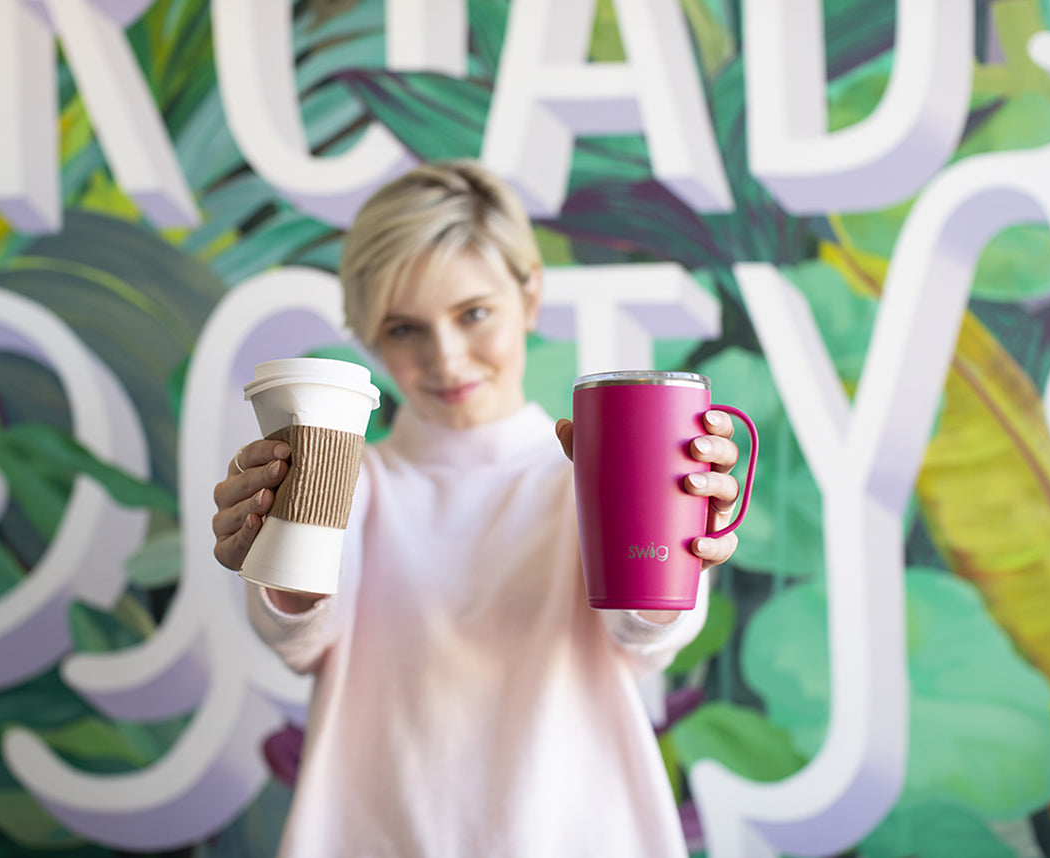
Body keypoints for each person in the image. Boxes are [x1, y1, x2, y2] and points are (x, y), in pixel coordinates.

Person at [212, 160, 742, 857]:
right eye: (404, 329)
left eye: (474, 314)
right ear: (370, 334)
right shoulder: (346, 483)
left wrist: (675, 533)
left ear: (529, 293)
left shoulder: (592, 481)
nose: (447, 358)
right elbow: (297, 636)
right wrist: (273, 549)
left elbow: (645, 635)